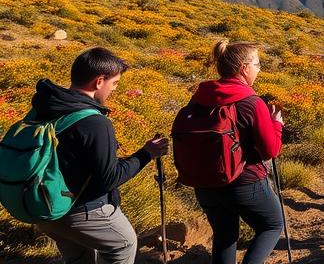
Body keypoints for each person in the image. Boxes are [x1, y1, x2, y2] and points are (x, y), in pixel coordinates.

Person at [27, 47, 169, 264]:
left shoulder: (45, 106)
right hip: (81, 210)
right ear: (99, 81)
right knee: (125, 244)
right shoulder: (94, 122)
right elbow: (109, 179)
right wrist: (146, 153)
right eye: (115, 83)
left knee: (79, 257)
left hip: (44, 208)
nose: (114, 90)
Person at [189, 41, 285, 264]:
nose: (259, 69)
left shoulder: (200, 96)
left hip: (205, 183)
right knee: (272, 225)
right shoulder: (251, 102)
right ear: (243, 68)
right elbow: (271, 150)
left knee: (224, 237)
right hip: (244, 182)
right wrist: (276, 125)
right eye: (257, 64)